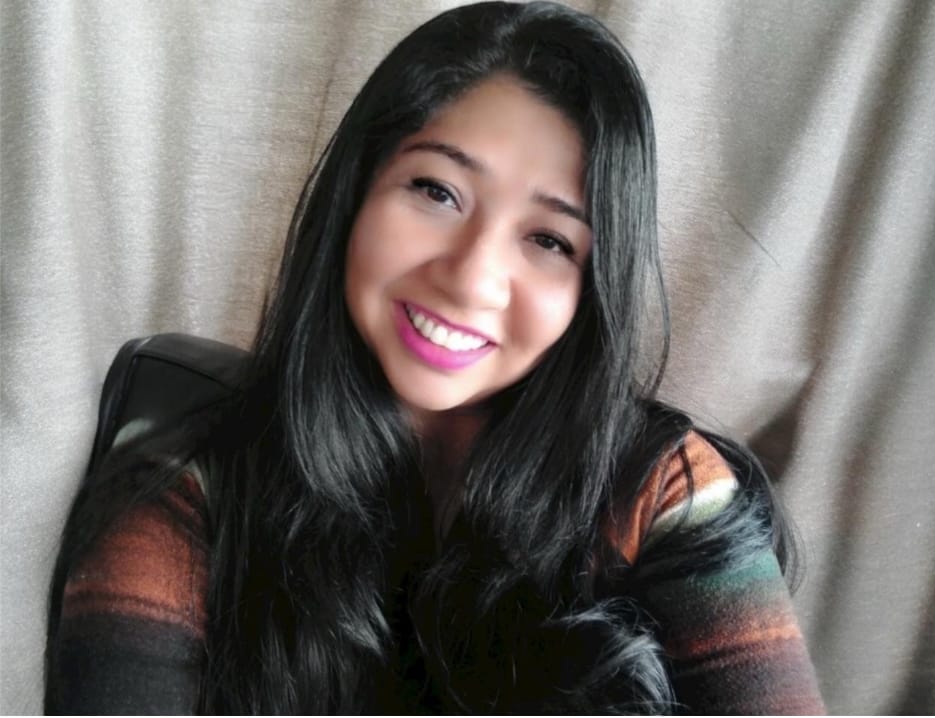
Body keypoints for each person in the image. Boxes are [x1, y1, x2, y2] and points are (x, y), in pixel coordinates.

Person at [44, 1, 825, 714]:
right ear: (357, 192)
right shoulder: (182, 503)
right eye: (437, 192)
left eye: (549, 240)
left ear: (589, 292)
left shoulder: (660, 493)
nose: (473, 277)